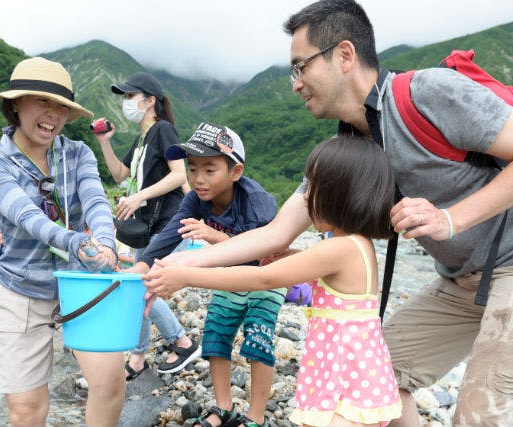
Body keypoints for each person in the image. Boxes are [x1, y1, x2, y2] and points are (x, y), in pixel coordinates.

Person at [152, 1, 513, 426]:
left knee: (480, 412)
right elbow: (274, 234)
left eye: (299, 67)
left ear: (344, 55)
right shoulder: (348, 151)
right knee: (379, 378)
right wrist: (175, 264)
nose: (294, 84)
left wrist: (451, 219)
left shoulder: (429, 93)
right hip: (459, 281)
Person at [145, 136, 403, 427]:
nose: (304, 198)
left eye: (313, 188)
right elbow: (318, 267)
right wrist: (290, 254)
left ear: (340, 194)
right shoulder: (356, 244)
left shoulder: (340, 247)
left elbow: (263, 277)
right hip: (349, 370)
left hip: (345, 374)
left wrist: (187, 276)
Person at [0, 57, 121, 427]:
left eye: (60, 107)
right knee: (27, 409)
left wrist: (105, 242)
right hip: (22, 287)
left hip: (82, 283)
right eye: (42, 102)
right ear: (15, 105)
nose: (52, 115)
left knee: (109, 382)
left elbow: (95, 201)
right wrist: (76, 242)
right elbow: (26, 217)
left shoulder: (78, 153)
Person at [133, 122, 281, 427]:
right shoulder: (196, 199)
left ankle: (254, 417)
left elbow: (264, 255)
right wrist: (141, 266)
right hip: (227, 277)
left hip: (267, 278)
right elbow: (170, 233)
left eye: (209, 170)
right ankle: (223, 407)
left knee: (258, 338)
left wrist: (214, 236)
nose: (198, 179)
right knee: (215, 336)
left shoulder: (258, 202)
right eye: (193, 168)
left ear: (235, 172)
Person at [94, 71, 199, 379]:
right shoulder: (141, 138)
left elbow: (179, 175)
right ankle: (139, 356)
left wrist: (139, 197)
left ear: (150, 100)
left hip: (166, 222)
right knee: (137, 285)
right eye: (124, 97)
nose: (126, 102)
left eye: (130, 96)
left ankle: (181, 341)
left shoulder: (163, 130)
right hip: (146, 226)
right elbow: (118, 174)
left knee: (139, 284)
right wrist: (104, 142)